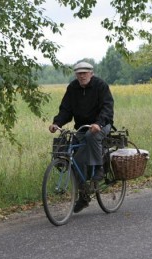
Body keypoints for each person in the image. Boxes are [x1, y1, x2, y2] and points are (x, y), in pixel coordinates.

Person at [49, 61, 114, 213]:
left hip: (101, 125)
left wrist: (98, 123)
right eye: (79, 73)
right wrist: (56, 123)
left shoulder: (100, 86)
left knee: (92, 136)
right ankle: (83, 196)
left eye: (85, 73)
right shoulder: (73, 88)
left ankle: (98, 169)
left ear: (91, 73)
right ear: (76, 75)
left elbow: (107, 107)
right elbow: (66, 109)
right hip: (82, 128)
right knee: (73, 159)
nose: (82, 75)